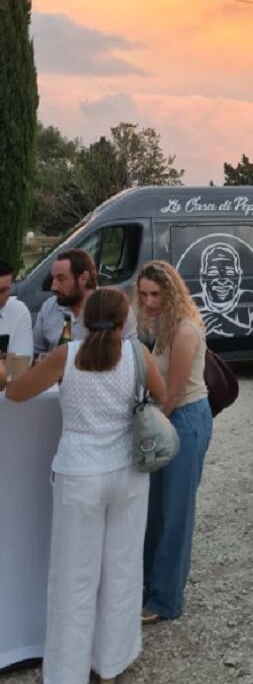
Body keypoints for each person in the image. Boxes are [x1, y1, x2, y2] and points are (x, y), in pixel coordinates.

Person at [0, 287, 166, 684]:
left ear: (84, 320)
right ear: (124, 321)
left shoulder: (67, 356)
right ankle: (111, 664)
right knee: (122, 570)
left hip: (79, 475)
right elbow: (161, 396)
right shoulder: (138, 354)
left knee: (73, 578)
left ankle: (67, 673)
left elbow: (16, 392)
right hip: (128, 472)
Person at [136, 261, 213, 623]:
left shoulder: (184, 329)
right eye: (143, 294)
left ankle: (165, 599)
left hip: (183, 418)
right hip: (168, 417)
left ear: (171, 293)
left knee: (175, 514)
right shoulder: (163, 324)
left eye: (156, 294)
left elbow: (174, 392)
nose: (149, 302)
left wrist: (149, 427)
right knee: (155, 509)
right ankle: (150, 585)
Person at [33, 249, 136, 354]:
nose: (54, 287)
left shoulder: (114, 306)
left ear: (84, 278)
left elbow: (132, 353)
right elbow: (36, 353)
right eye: (53, 278)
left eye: (61, 279)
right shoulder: (49, 307)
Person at [0, 257, 33, 358]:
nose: (5, 295)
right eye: (0, 290)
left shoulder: (18, 311)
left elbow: (21, 361)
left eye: (7, 289)